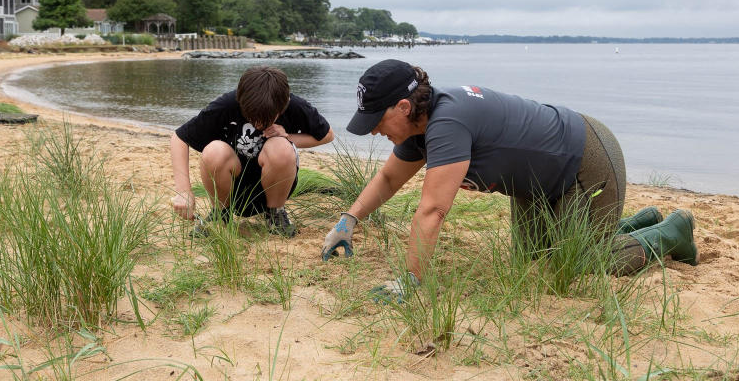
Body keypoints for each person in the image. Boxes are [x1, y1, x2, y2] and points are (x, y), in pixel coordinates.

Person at [321, 59, 698, 299]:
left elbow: (432, 209)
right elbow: (388, 180)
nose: (373, 132)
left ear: (403, 107)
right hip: (535, 189)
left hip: (586, 161)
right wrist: (348, 220)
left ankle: (674, 231)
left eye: (376, 122)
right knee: (535, 260)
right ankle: (640, 221)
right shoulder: (416, 127)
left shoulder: (447, 121)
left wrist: (412, 281)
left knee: (579, 262)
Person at [171, 65, 334, 236]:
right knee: (213, 150)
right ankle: (220, 214)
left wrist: (288, 136)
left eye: (267, 119)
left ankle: (275, 215)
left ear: (284, 105)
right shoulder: (227, 104)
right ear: (239, 100)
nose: (258, 125)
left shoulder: (294, 105)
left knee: (281, 147)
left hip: (274, 188)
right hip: (232, 188)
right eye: (251, 118)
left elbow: (327, 135)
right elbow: (179, 138)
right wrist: (184, 191)